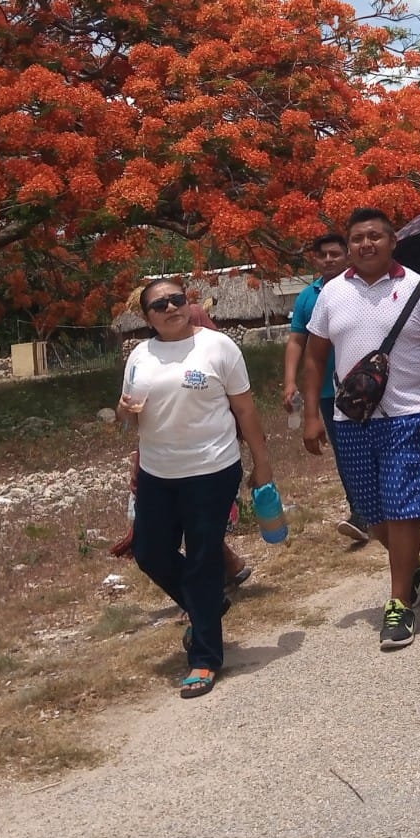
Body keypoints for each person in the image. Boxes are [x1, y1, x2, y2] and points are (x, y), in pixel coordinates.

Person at [302, 209, 420, 651]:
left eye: (374, 236)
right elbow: (314, 357)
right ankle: (414, 566)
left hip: (407, 417)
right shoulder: (331, 293)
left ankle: (398, 604)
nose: (365, 244)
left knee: (403, 507)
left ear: (392, 242)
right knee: (373, 515)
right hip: (351, 422)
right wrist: (312, 414)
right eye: (357, 238)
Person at [119, 278, 273, 698]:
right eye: (159, 305)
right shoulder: (140, 354)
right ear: (147, 316)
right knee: (149, 552)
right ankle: (205, 604)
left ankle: (205, 658)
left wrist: (263, 463)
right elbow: (129, 413)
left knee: (205, 559)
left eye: (177, 299)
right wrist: (123, 411)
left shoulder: (219, 347)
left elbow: (245, 407)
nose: (171, 308)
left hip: (211, 468)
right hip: (157, 472)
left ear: (188, 302)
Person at [283, 233, 368, 544]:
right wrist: (291, 381)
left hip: (366, 386)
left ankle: (381, 508)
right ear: (314, 260)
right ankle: (359, 512)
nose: (329, 259)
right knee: (345, 453)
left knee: (373, 447)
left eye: (335, 253)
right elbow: (296, 341)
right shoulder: (308, 297)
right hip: (329, 393)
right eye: (323, 255)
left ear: (347, 254)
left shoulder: (362, 287)